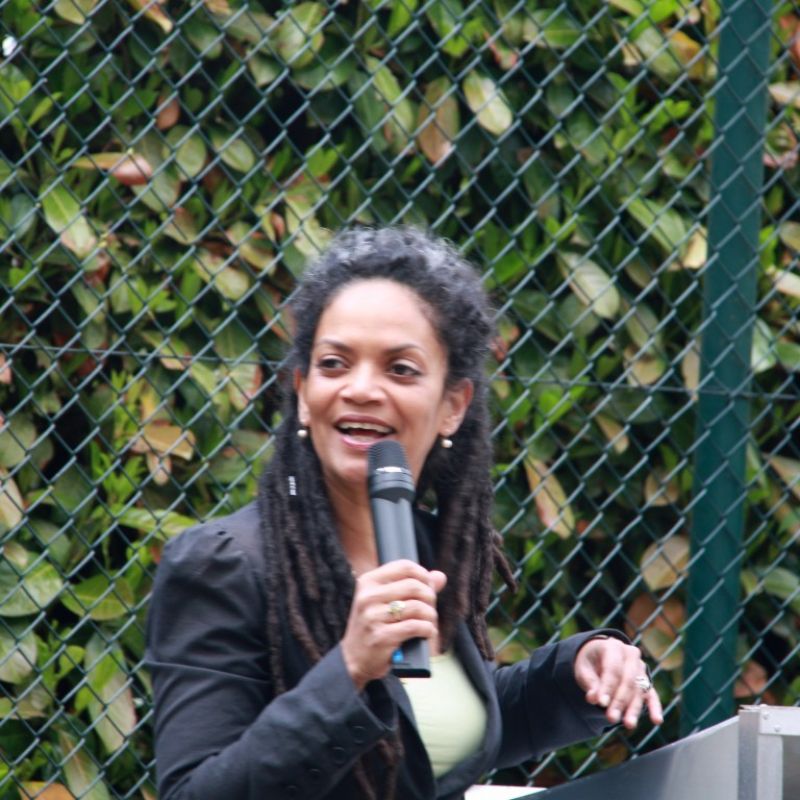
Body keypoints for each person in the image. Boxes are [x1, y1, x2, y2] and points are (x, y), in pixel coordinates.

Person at [146, 226, 663, 800]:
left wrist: (574, 674)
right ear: (302, 391)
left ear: (452, 406)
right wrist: (348, 670)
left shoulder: (427, 549)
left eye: (400, 369)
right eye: (334, 363)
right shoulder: (222, 565)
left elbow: (427, 738)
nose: (361, 389)